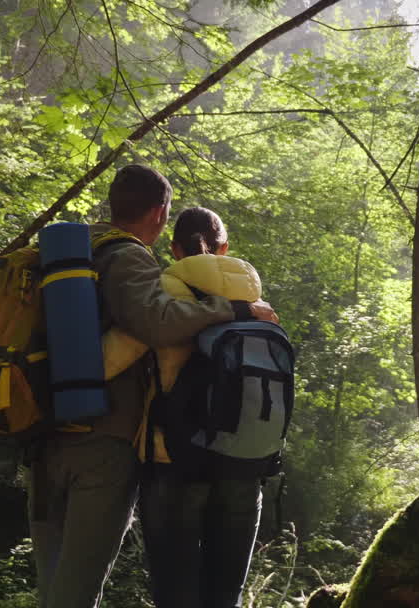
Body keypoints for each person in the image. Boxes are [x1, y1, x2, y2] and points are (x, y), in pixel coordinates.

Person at [27, 165, 276, 608]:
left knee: (60, 581)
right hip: (197, 454)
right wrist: (233, 310)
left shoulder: (73, 253)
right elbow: (155, 325)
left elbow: (109, 354)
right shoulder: (253, 305)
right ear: (160, 213)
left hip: (54, 430)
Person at [111, 206, 269, 608]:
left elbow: (105, 362)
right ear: (225, 247)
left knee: (175, 596)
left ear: (175, 248)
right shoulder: (257, 303)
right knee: (224, 599)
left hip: (175, 462)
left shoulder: (165, 294)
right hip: (245, 466)